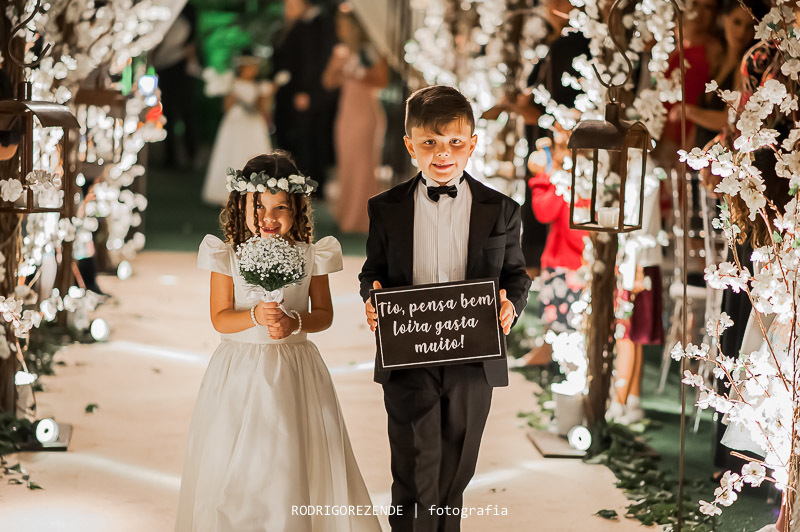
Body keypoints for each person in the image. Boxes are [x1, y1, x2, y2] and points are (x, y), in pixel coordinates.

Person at [177, 151, 380, 531]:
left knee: (290, 454)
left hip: (294, 370)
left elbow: (325, 314)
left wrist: (295, 322)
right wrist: (255, 315)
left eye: (281, 208)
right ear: (241, 206)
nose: (269, 218)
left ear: (298, 208)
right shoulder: (228, 256)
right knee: (239, 461)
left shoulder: (310, 256)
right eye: (259, 207)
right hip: (240, 372)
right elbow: (219, 317)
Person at [359, 86, 531, 531]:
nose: (443, 154)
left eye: (455, 142)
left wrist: (511, 305)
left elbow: (515, 276)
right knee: (416, 470)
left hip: (472, 361)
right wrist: (371, 299)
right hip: (409, 356)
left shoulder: (502, 210)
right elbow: (372, 270)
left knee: (455, 472)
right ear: (409, 145)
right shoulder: (386, 209)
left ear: (473, 143)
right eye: (430, 143)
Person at [322, 2, 388, 233]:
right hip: (346, 114)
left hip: (366, 114)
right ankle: (346, 215)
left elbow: (382, 80)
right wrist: (338, 69)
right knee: (347, 164)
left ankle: (362, 219)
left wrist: (359, 73)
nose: (340, 29)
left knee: (364, 165)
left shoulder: (370, 51)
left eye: (343, 25)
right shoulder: (341, 52)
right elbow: (328, 82)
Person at [272, 0, 338, 195]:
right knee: (300, 138)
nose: (287, 8)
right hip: (293, 92)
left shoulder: (319, 25)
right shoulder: (295, 25)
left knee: (310, 139)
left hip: (308, 94)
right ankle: (299, 182)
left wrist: (305, 91)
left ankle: (312, 186)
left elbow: (314, 62)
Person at [201, 54, 274, 206]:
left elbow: (263, 109)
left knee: (254, 153)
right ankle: (228, 192)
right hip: (236, 122)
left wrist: (266, 95)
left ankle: (255, 192)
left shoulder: (260, 87)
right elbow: (226, 107)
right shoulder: (232, 84)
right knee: (233, 152)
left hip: (253, 124)